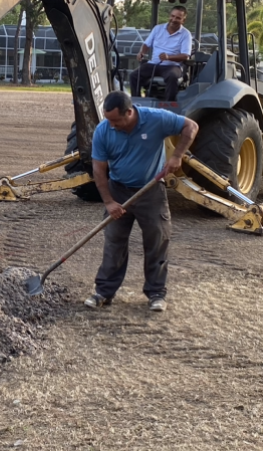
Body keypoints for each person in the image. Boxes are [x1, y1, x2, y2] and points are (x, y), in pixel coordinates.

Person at [84, 90, 198, 313]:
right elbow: (99, 169)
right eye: (108, 119)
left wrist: (177, 156)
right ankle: (103, 292)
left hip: (151, 190)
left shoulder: (156, 119)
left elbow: (190, 127)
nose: (112, 124)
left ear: (129, 112)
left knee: (157, 240)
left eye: (116, 120)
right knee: (114, 242)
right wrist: (108, 202)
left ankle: (156, 293)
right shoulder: (103, 131)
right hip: (118, 189)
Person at [129, 5, 193, 102]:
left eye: (178, 18)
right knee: (134, 75)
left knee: (172, 76)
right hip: (154, 63)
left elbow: (185, 55)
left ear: (183, 20)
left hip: (172, 66)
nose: (173, 19)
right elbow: (146, 44)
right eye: (172, 16)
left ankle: (168, 106)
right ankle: (137, 102)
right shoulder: (157, 29)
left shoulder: (185, 34)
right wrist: (142, 52)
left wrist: (168, 57)